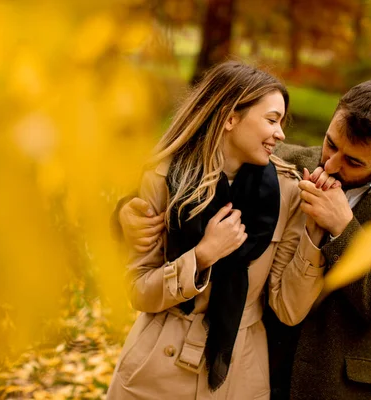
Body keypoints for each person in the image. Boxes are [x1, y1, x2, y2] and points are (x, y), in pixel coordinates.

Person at [116, 78, 371, 400]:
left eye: (352, 161)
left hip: (333, 384)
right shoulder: (285, 162)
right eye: (331, 143)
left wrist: (344, 229)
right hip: (254, 366)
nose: (331, 164)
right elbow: (176, 183)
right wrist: (123, 214)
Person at [107, 60, 337, 400]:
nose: (281, 133)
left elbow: (288, 307)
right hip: (157, 370)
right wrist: (201, 257)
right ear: (230, 118)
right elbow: (137, 291)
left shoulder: (288, 192)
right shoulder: (163, 179)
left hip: (240, 376)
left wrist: (314, 234)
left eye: (281, 122)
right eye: (272, 120)